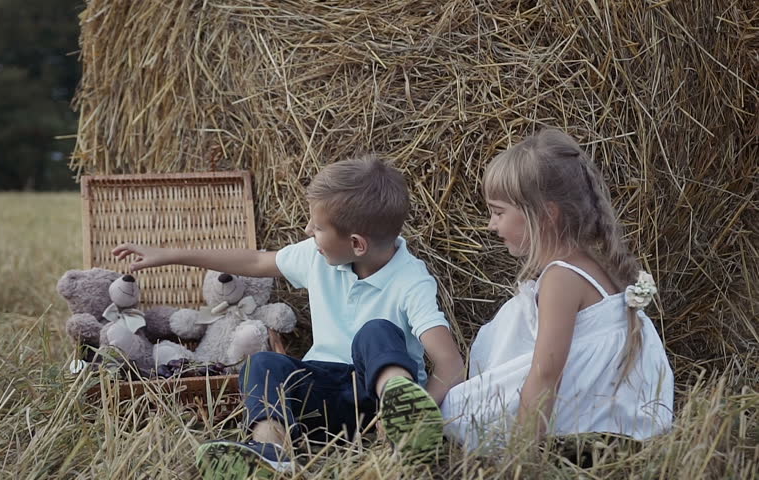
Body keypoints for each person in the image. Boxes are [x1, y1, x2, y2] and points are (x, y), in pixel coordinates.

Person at [113, 155, 465, 478]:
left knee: (376, 332)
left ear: (357, 244)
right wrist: (171, 254)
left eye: (318, 227)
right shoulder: (317, 257)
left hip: (375, 397)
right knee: (263, 363)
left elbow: (450, 364)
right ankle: (271, 450)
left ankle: (399, 409)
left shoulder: (411, 279)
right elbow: (254, 262)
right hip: (323, 404)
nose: (309, 233)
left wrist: (424, 418)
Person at [440, 128, 674, 450]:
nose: (491, 225)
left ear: (545, 214)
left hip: (588, 417)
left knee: (459, 412)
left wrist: (521, 456)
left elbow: (547, 374)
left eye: (498, 212)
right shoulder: (589, 262)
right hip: (621, 414)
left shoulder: (561, 278)